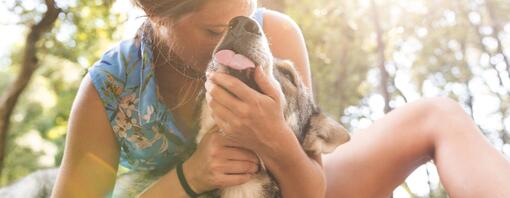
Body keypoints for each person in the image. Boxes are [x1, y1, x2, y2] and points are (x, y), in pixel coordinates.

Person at [51, 0, 510, 197]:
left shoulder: (273, 33)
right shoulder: (109, 90)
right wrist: (189, 178)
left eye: (246, 13)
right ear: (157, 14)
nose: (244, 31)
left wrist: (275, 139)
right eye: (216, 30)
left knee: (438, 115)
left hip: (298, 185)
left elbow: (314, 188)